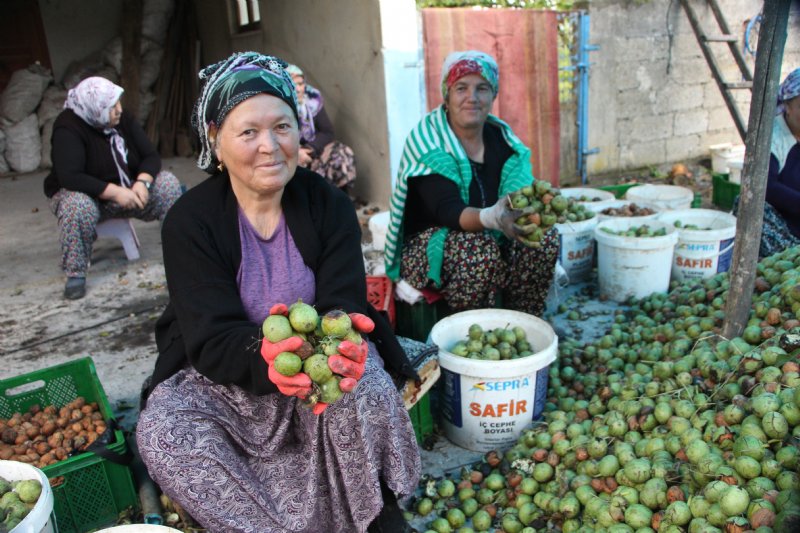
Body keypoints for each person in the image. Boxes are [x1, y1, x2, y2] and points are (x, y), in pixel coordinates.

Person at [136, 52, 420, 533]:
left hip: (314, 370)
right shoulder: (190, 220)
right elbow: (209, 336)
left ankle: (375, 514)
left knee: (365, 384)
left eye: (282, 127)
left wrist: (343, 342)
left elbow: (343, 302)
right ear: (215, 140)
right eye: (248, 132)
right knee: (165, 434)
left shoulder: (326, 202)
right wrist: (267, 355)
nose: (270, 146)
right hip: (226, 379)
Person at [384, 50, 559, 316]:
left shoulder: (502, 139)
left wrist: (537, 209)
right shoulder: (428, 142)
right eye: (461, 88)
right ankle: (475, 336)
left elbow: (518, 195)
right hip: (428, 245)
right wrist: (492, 217)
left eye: (482, 88)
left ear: (493, 95)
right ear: (447, 94)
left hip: (490, 235)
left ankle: (523, 323)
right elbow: (447, 210)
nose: (472, 98)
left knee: (541, 238)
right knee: (477, 249)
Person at [44, 76, 182, 300]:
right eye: (112, 106)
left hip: (132, 193)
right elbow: (70, 176)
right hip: (93, 198)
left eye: (118, 104)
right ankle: (76, 273)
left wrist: (142, 183)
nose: (118, 110)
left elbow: (150, 155)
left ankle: (183, 256)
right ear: (95, 108)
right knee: (76, 205)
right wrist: (115, 192)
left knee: (168, 184)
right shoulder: (68, 127)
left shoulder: (122, 119)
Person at [744, 67, 800, 257]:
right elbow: (766, 186)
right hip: (780, 221)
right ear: (788, 107)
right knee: (747, 205)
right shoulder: (772, 135)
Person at [285, 64, 357, 192]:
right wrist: (297, 152)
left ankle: (340, 200)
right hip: (289, 155)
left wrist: (310, 149)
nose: (298, 89)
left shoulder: (312, 101)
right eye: (292, 85)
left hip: (311, 151)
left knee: (342, 153)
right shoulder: (278, 109)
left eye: (301, 84)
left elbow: (327, 132)